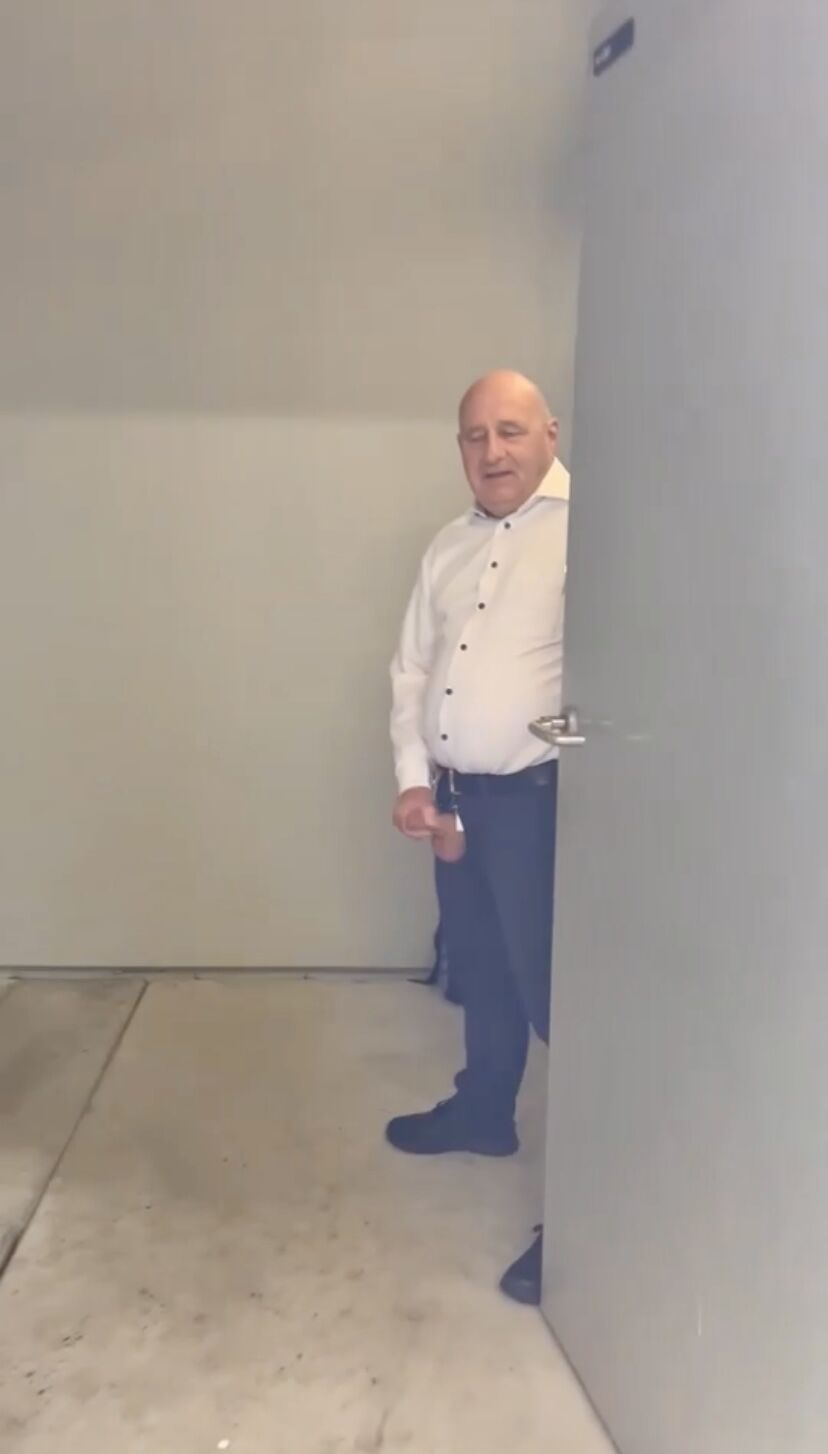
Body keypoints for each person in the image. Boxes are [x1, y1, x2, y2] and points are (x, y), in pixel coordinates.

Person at [387, 369, 569, 1306]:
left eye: (509, 431)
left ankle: (591, 1212)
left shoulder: (591, 534)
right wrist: (415, 782)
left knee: (562, 1000)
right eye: (473, 436)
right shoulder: (449, 547)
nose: (491, 452)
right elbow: (412, 669)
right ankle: (484, 1111)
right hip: (459, 803)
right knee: (484, 969)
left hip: (544, 807)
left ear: (549, 434)